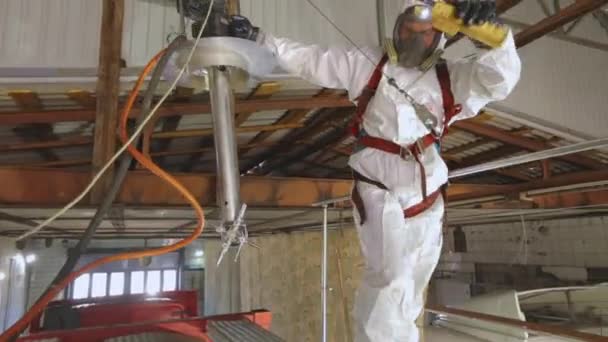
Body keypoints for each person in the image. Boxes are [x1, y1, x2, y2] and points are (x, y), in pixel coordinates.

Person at [229, 1, 521, 341]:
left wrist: (490, 36)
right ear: (396, 28)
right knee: (390, 278)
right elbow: (310, 60)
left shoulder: (451, 78)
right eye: (407, 29)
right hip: (379, 187)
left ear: (439, 35)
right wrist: (257, 37)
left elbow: (499, 80)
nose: (412, 37)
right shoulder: (366, 64)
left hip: (428, 196)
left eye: (423, 32)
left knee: (412, 288)